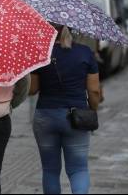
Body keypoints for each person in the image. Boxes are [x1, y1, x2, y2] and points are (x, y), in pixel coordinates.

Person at [29, 24, 101, 194]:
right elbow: (94, 90)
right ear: (74, 30)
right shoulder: (85, 53)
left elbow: (32, 90)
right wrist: (93, 109)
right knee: (78, 169)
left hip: (45, 115)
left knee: (50, 170)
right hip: (77, 118)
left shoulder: (42, 52)